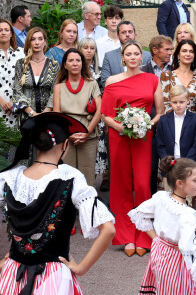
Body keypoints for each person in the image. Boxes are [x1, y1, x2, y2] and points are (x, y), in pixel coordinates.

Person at [0, 112, 115, 294]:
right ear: (65, 145)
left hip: (13, 274)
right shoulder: (71, 178)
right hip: (53, 278)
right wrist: (81, 268)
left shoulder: (10, 178)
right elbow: (108, 230)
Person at [101, 40, 164, 257]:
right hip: (118, 136)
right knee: (121, 184)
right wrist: (122, 126)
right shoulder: (112, 80)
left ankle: (144, 234)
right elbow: (105, 115)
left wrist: (145, 126)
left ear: (142, 57)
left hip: (142, 136)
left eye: (137, 53)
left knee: (142, 184)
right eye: (129, 54)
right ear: (123, 58)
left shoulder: (153, 79)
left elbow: (159, 112)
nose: (133, 57)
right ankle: (126, 236)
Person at [128, 156, 196, 294]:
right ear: (180, 183)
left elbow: (138, 213)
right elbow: (187, 248)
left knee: (161, 287)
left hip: (159, 251)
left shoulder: (161, 197)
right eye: (195, 180)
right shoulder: (187, 214)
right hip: (175, 260)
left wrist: (156, 238)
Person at [53, 48, 101, 188]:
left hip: (88, 134)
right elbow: (57, 114)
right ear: (65, 65)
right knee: (67, 173)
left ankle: (87, 208)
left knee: (87, 173)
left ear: (82, 64)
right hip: (66, 136)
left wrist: (87, 132)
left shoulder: (91, 83)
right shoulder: (59, 87)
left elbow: (100, 110)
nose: (75, 63)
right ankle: (67, 208)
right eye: (71, 60)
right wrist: (68, 134)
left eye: (78, 60)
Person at [141, 35, 173, 195]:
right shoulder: (141, 71)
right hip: (150, 127)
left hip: (172, 127)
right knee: (150, 170)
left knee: (172, 168)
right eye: (167, 49)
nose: (170, 52)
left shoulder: (176, 70)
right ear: (155, 50)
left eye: (171, 49)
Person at [13, 27, 60, 128]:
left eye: (40, 39)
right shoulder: (21, 63)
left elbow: (57, 91)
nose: (37, 42)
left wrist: (46, 112)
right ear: (28, 42)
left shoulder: (53, 64)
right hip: (25, 118)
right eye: (33, 39)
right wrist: (32, 113)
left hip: (48, 118)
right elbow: (17, 91)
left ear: (45, 42)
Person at [78, 37, 108, 180]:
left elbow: (104, 94)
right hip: (79, 113)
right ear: (79, 49)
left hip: (97, 114)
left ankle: (92, 187)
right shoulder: (75, 69)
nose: (89, 51)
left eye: (92, 48)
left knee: (96, 151)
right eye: (85, 47)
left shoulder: (101, 71)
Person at [157, 85, 196, 163]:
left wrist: (186, 163)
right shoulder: (163, 120)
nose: (178, 105)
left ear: (188, 100)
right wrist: (168, 162)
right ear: (170, 101)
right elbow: (160, 144)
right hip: (169, 165)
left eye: (181, 102)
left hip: (188, 164)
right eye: (174, 102)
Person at [101, 21, 151, 89]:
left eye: (130, 32)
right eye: (123, 32)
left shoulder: (147, 56)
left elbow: (151, 80)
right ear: (118, 36)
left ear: (135, 34)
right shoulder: (109, 57)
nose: (127, 35)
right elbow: (105, 82)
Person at [161, 39, 196, 113]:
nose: (188, 54)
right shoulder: (167, 75)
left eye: (191, 51)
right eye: (184, 51)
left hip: (193, 121)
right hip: (171, 120)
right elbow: (165, 103)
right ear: (178, 55)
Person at [0, 19, 24, 128]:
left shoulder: (22, 53)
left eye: (6, 30)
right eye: (0, 30)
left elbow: (25, 79)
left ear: (11, 33)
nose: (3, 32)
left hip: (16, 105)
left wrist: (13, 101)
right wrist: (1, 101)